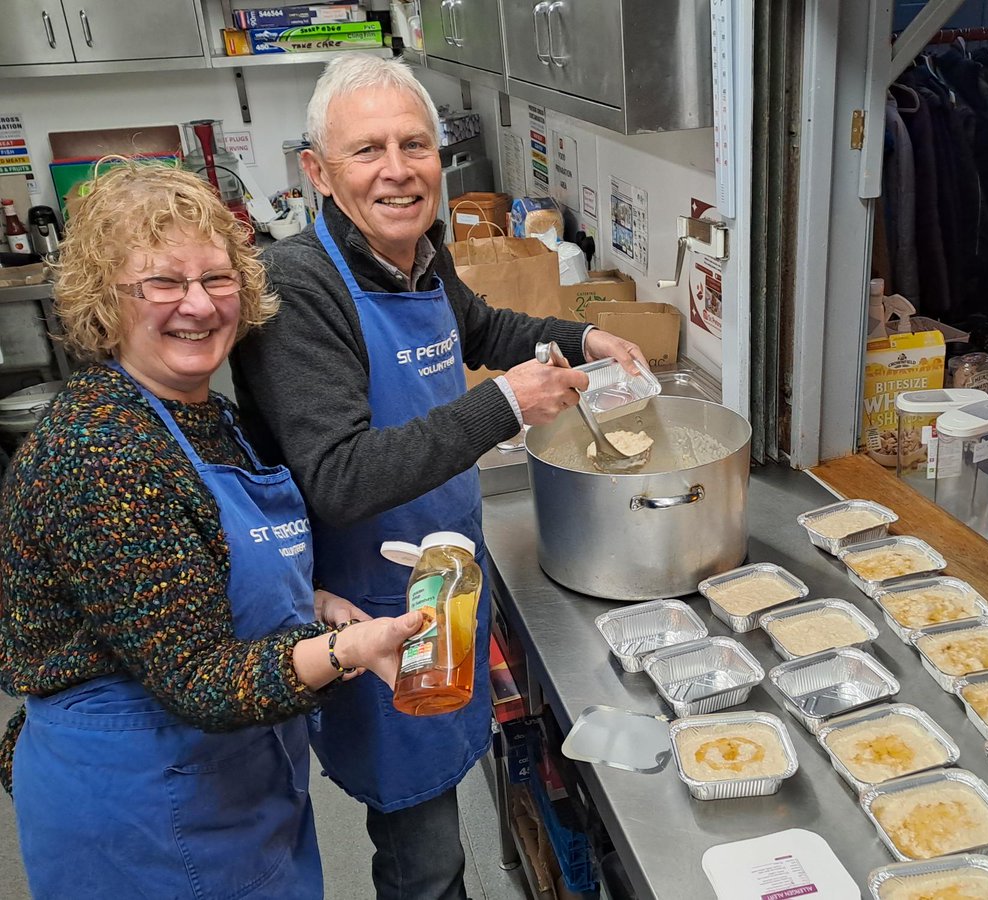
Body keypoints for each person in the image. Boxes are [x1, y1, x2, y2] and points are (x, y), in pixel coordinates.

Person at [231, 54, 646, 899]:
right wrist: (504, 408)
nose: (396, 168)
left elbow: (483, 326)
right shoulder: (299, 287)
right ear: (316, 171)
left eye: (413, 144)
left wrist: (581, 339)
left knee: (453, 782)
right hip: (372, 611)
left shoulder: (420, 252)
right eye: (367, 150)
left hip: (446, 577)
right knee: (422, 852)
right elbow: (337, 477)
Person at [0, 162, 427, 899]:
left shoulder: (204, 414)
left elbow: (201, 571)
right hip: (143, 807)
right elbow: (198, 680)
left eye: (217, 279)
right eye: (161, 283)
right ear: (107, 301)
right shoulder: (102, 449)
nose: (197, 305)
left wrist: (309, 599)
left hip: (225, 783)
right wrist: (346, 648)